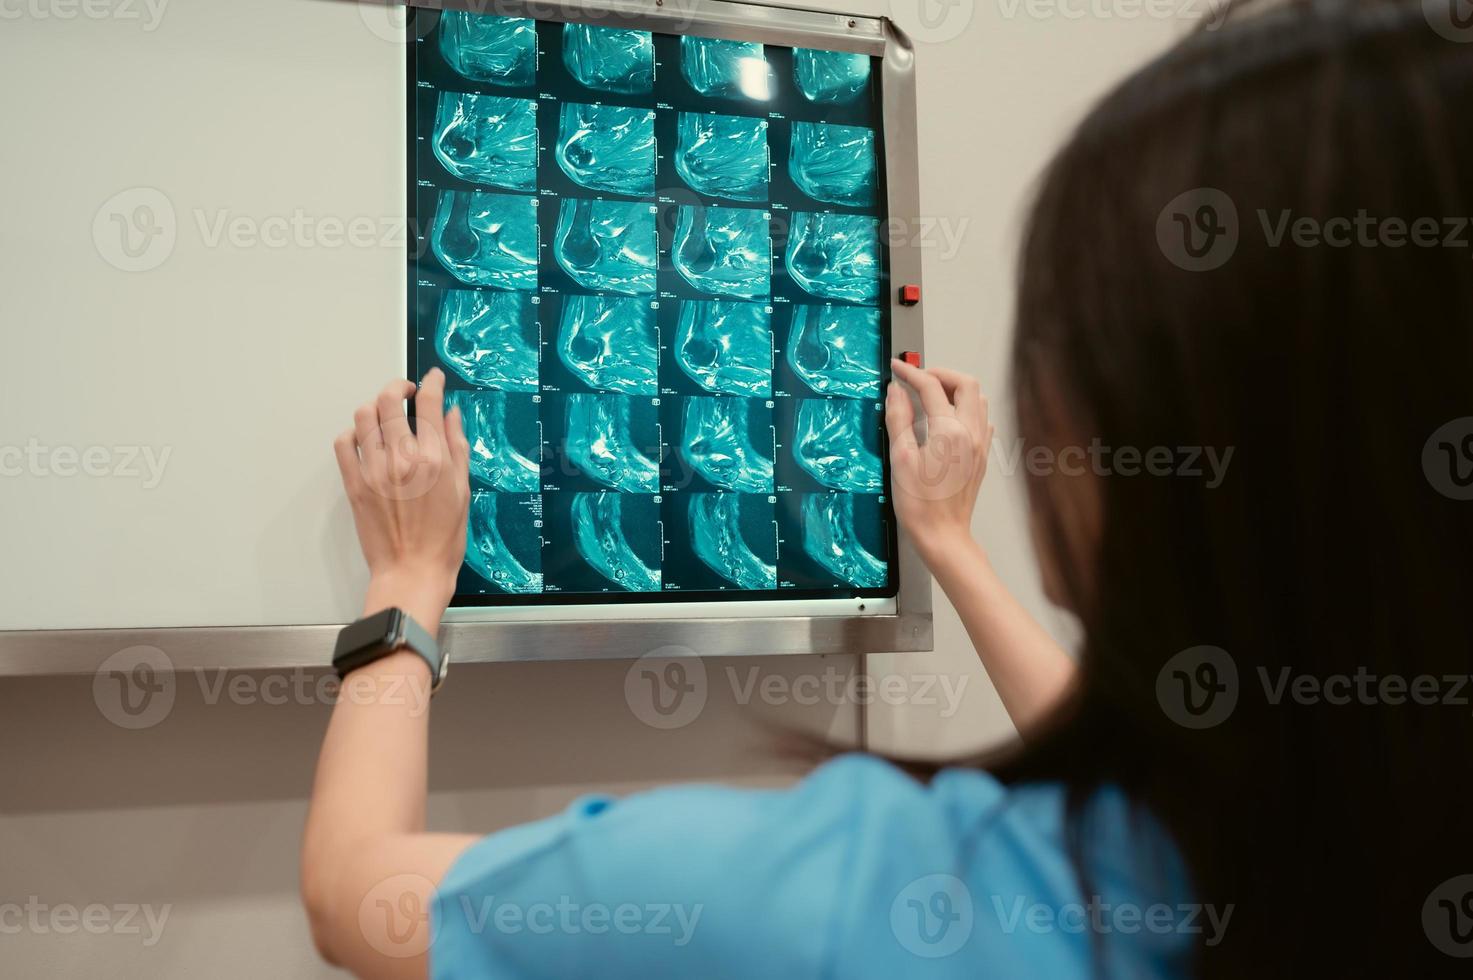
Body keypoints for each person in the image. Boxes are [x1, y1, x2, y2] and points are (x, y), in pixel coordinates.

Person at [301, 1, 1473, 976]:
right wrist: (950, 545)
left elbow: (358, 894)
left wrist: (406, 584)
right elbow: (1149, 749)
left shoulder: (852, 894)